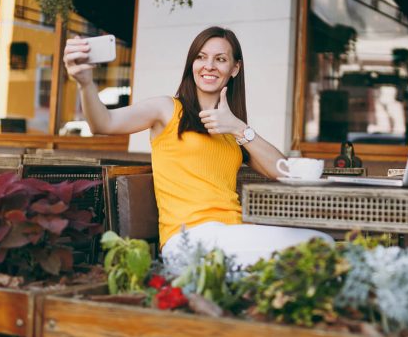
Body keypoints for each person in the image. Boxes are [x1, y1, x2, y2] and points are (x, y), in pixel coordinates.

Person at [63, 26, 331, 267]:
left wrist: (238, 127)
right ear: (192, 63)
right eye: (201, 57)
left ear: (235, 68)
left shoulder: (232, 130)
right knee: (317, 249)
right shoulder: (167, 109)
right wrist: (86, 84)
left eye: (220, 59)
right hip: (189, 240)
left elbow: (283, 171)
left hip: (234, 236)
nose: (209, 65)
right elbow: (104, 123)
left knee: (319, 248)